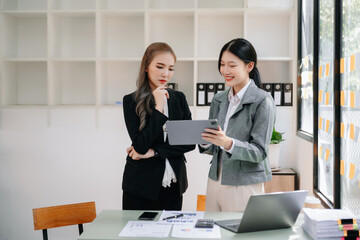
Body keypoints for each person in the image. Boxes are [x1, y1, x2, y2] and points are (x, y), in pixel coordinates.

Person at [200, 38, 276, 212]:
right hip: (215, 179)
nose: (225, 70)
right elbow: (214, 146)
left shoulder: (263, 100)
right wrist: (206, 141)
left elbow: (260, 152)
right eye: (222, 64)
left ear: (249, 66)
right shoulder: (218, 99)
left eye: (232, 65)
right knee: (211, 232)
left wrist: (227, 143)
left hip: (244, 184)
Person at [122, 42, 195, 210]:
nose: (165, 74)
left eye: (171, 68)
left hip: (174, 184)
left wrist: (155, 152)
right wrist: (159, 109)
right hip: (140, 186)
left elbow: (189, 142)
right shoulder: (131, 101)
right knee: (138, 234)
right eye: (160, 66)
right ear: (147, 66)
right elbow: (140, 146)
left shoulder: (179, 99)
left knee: (170, 234)